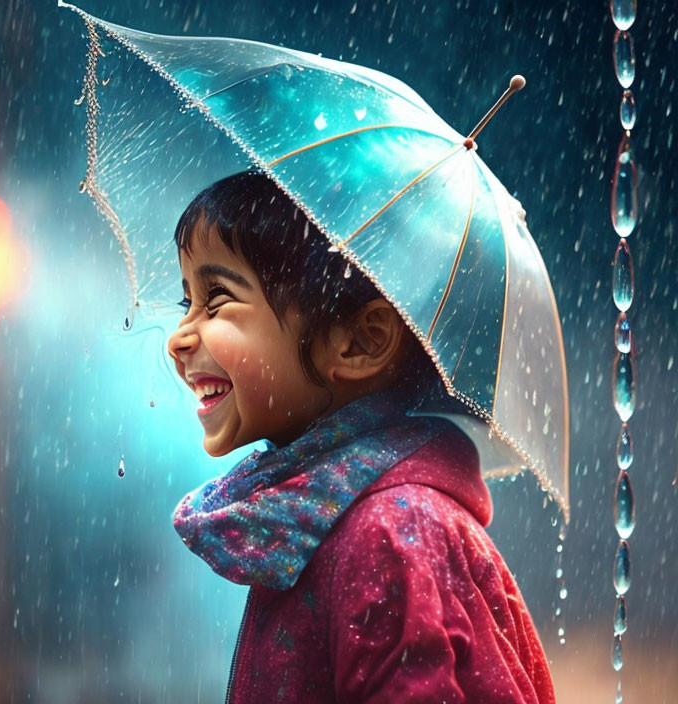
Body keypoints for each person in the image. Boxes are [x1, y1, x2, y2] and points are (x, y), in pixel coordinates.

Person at [167, 170, 556, 703]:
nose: (178, 337)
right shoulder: (314, 518)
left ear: (357, 342)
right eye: (184, 301)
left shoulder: (390, 535)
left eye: (217, 301)